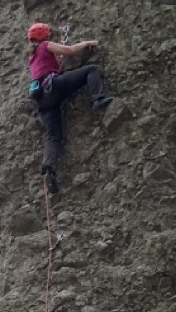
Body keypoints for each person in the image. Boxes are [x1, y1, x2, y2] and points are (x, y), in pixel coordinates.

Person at [27, 21, 113, 194]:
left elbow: (51, 64)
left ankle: (48, 168)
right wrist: (87, 43)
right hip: (54, 86)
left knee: (53, 137)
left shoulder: (32, 57)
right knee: (92, 70)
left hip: (42, 100)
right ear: (44, 35)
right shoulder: (45, 45)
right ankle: (97, 98)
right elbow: (70, 51)